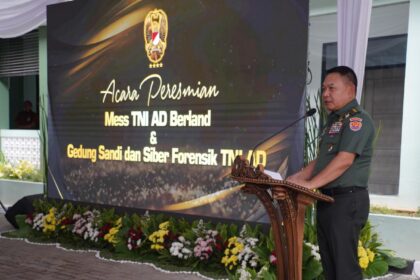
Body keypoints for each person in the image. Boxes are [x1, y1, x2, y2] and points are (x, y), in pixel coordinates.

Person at [287, 66, 374, 280]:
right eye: (324, 88)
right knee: (331, 267)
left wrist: (310, 185)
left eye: (331, 88)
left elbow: (344, 160)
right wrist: (297, 179)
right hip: (328, 201)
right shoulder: (334, 121)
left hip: (347, 201)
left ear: (350, 90)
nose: (325, 94)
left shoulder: (357, 121)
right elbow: (323, 160)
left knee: (345, 270)